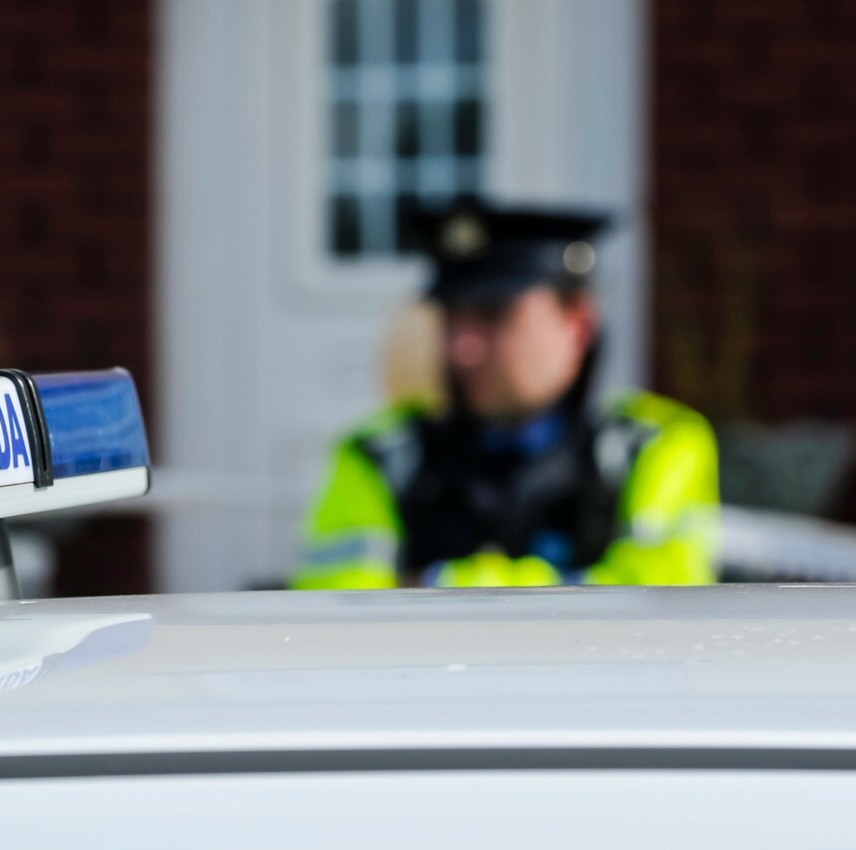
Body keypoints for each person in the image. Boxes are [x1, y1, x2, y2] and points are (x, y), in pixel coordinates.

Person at [292, 199, 719, 589]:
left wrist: (435, 582)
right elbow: (338, 613)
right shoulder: (377, 459)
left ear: (577, 323)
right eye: (451, 318)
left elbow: (656, 603)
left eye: (493, 315)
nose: (463, 347)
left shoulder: (652, 447)